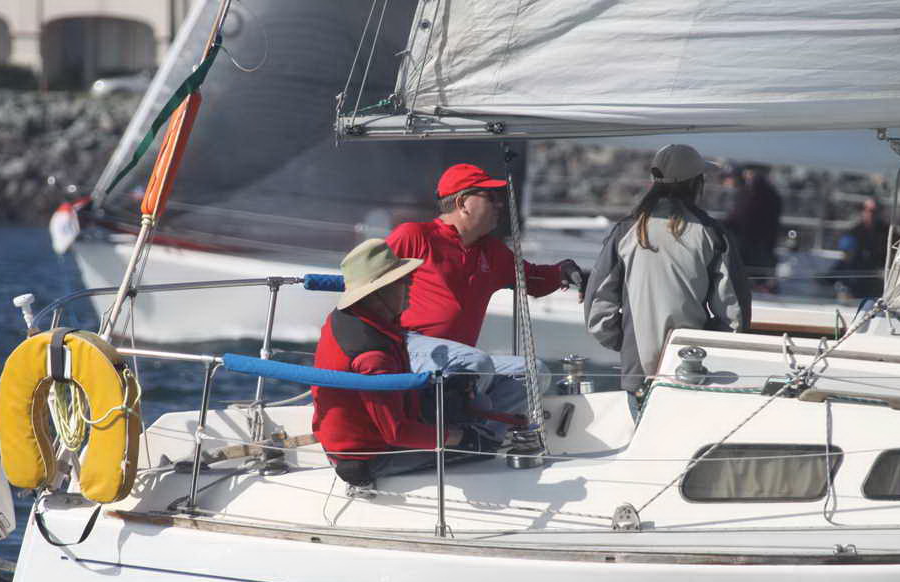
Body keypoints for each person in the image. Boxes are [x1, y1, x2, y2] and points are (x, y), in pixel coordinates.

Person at [386, 163, 586, 444]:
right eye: (490, 197)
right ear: (462, 203)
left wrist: (564, 271)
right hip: (407, 347)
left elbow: (533, 278)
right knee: (475, 363)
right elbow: (368, 279)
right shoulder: (414, 236)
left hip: (460, 361)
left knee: (534, 372)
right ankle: (448, 430)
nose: (499, 204)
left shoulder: (492, 252)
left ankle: (478, 439)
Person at [584, 144, 751, 414]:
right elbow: (734, 316)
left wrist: (628, 343)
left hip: (638, 371)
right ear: (696, 183)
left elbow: (598, 313)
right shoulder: (712, 234)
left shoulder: (626, 231)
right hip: (693, 369)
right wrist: (707, 347)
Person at [312, 238, 465, 487]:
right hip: (370, 456)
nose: (410, 285)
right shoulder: (373, 355)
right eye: (402, 281)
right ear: (377, 294)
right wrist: (459, 438)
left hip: (348, 444)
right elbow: (396, 432)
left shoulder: (345, 318)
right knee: (483, 447)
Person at [723, 164, 782, 292]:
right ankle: (759, 284)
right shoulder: (761, 194)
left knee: (752, 265)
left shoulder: (752, 194)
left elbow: (742, 216)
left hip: (753, 241)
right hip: (759, 241)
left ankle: (758, 284)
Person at [830, 197, 890, 299]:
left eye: (873, 211)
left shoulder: (888, 233)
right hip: (857, 272)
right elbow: (846, 254)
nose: (870, 213)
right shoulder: (854, 231)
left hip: (877, 274)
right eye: (865, 209)